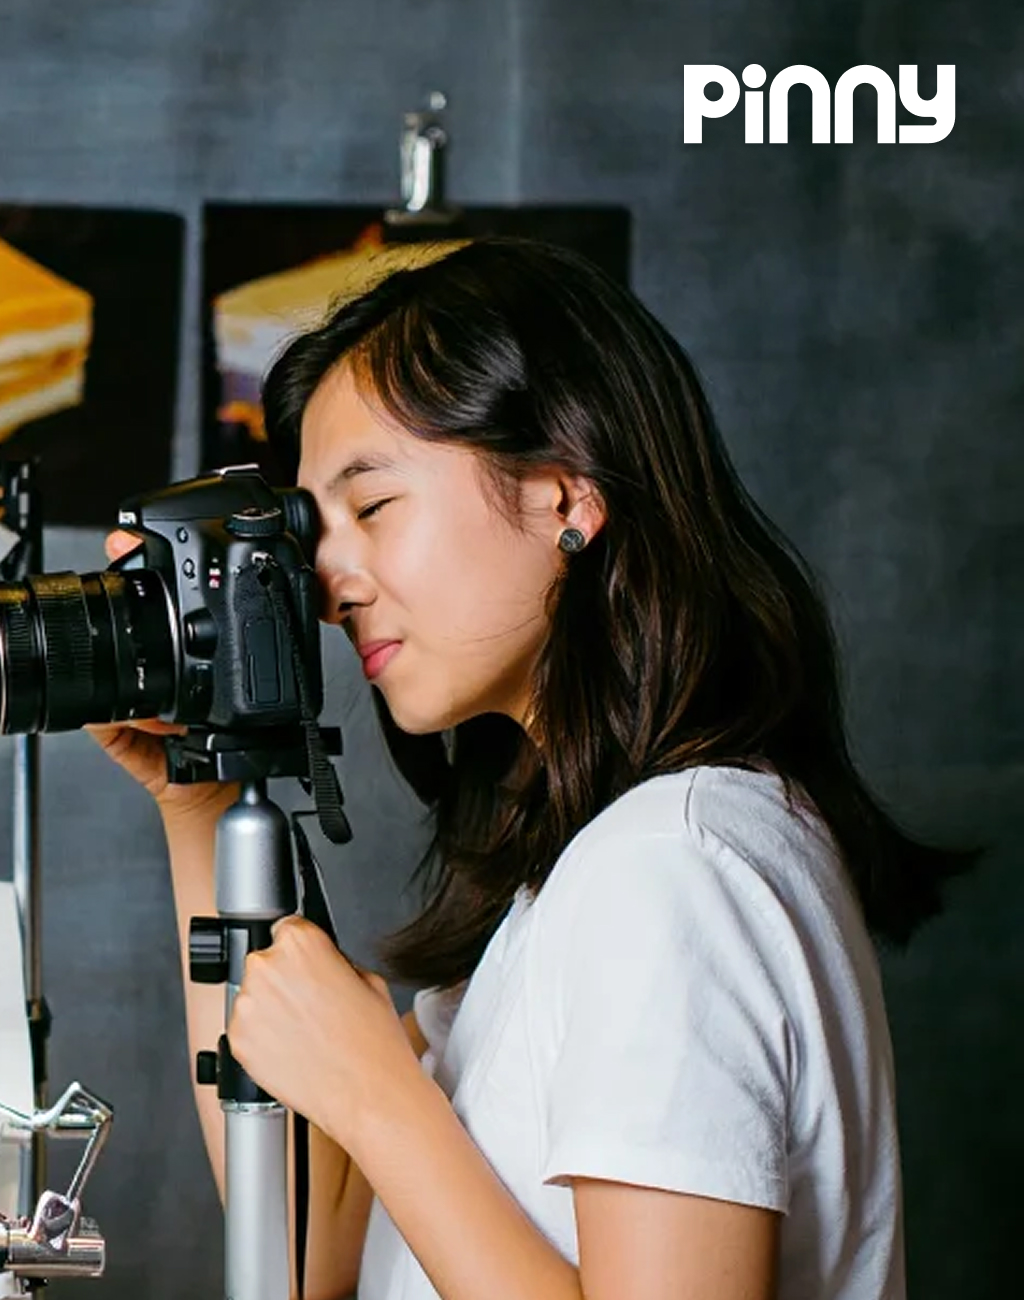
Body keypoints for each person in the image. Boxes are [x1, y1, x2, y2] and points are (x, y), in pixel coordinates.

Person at [88, 238, 972, 1300]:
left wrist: (378, 1091)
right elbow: (306, 1259)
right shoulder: (581, 874)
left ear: (567, 495)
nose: (328, 587)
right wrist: (197, 801)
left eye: (372, 508)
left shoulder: (670, 870)